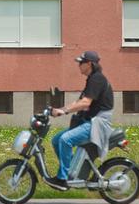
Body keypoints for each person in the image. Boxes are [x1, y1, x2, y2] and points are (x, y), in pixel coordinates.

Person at [45, 51, 114, 190]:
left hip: (96, 124)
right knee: (57, 139)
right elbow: (81, 102)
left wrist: (63, 110)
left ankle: (62, 179)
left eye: (81, 62)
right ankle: (72, 172)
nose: (79, 65)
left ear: (89, 64)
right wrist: (61, 109)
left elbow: (85, 103)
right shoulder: (92, 79)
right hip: (87, 121)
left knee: (65, 139)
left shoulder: (97, 79)